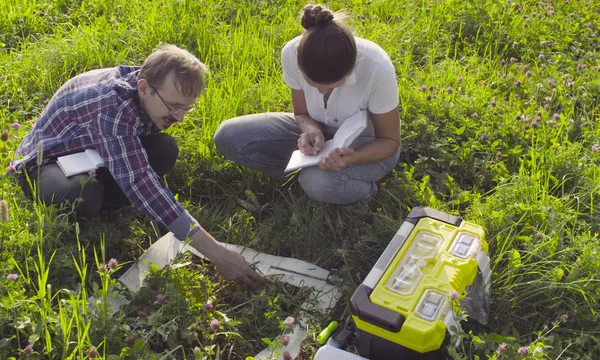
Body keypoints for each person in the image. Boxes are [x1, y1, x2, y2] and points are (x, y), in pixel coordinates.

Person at [12, 44, 264, 287]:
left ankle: (108, 197)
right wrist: (217, 254)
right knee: (82, 194)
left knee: (164, 150)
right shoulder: (112, 107)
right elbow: (141, 182)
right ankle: (94, 210)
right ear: (144, 88)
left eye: (187, 107)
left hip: (91, 152)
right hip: (45, 162)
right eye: (174, 106)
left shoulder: (149, 85)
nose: (180, 117)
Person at [214, 4, 401, 204]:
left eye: (334, 85)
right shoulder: (291, 54)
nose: (321, 92)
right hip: (324, 141)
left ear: (350, 68)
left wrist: (351, 158)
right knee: (229, 136)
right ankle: (309, 175)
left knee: (318, 183)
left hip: (369, 144)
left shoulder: (377, 68)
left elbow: (389, 141)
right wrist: (311, 131)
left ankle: (361, 189)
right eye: (313, 84)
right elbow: (301, 114)